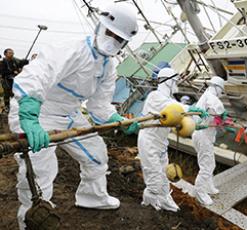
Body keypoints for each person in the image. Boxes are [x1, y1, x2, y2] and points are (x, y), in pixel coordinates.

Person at [8, 3, 139, 229]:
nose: (112, 41)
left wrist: (116, 119)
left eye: (119, 39)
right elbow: (39, 73)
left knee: (96, 154)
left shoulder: (109, 67)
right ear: (100, 26)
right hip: (40, 111)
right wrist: (28, 114)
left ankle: (92, 197)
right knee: (39, 171)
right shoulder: (72, 49)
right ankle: (33, 220)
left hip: (70, 113)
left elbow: (99, 105)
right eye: (110, 33)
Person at [138, 67, 207, 212]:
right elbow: (175, 109)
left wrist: (195, 125)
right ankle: (147, 206)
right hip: (149, 142)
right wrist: (191, 109)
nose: (177, 83)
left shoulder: (169, 100)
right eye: (175, 80)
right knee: (154, 178)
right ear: (168, 81)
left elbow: (176, 121)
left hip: (161, 144)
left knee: (163, 177)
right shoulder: (155, 96)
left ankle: (164, 200)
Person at [192, 76, 226, 205]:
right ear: (217, 87)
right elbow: (218, 108)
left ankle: (209, 187)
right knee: (208, 165)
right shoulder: (211, 96)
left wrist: (220, 120)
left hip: (201, 134)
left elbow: (213, 115)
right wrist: (222, 114)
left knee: (207, 163)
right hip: (203, 135)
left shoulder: (206, 96)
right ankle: (200, 192)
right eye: (221, 91)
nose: (221, 93)